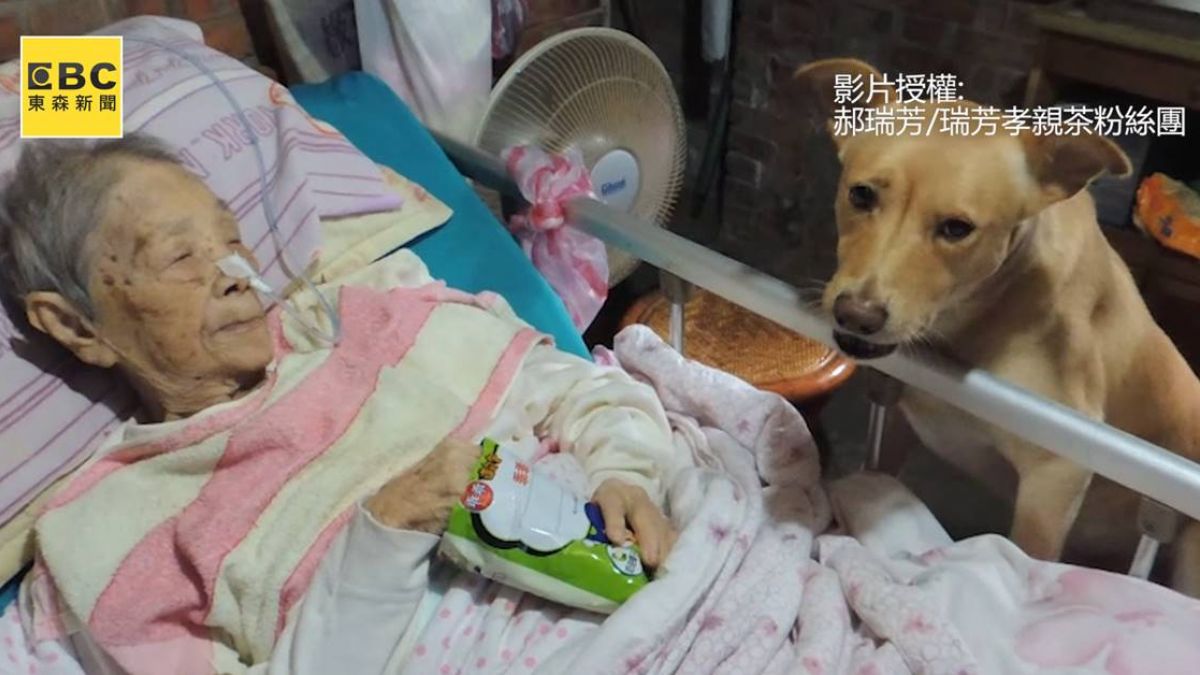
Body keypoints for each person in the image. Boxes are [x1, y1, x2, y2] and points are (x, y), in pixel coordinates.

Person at [0, 135, 682, 674]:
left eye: (233, 240)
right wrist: (386, 531)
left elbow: (577, 389)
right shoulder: (108, 535)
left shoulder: (367, 319)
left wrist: (626, 475)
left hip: (665, 581)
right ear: (75, 326)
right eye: (181, 257)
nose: (238, 274)